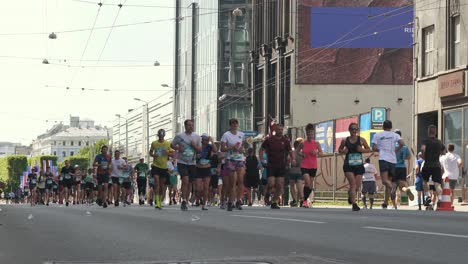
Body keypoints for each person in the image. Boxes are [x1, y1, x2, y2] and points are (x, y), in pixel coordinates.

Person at [259, 124, 295, 209]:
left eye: (281, 130)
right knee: (271, 184)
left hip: (281, 166)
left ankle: (274, 202)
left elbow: (290, 151)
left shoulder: (285, 140)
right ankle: (268, 193)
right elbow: (261, 149)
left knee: (280, 186)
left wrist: (292, 159)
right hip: (271, 165)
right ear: (275, 129)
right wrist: (261, 159)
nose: (280, 131)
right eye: (278, 129)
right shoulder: (269, 139)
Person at [372, 120, 405, 209]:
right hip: (393, 160)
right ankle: (385, 203)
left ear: (383, 126)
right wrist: (396, 150)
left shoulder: (377, 135)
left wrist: (380, 150)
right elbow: (402, 143)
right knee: (388, 181)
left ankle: (393, 188)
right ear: (391, 127)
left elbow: (374, 148)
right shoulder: (395, 135)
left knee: (384, 181)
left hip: (383, 159)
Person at [339, 123, 371, 211]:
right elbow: (339, 149)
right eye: (352, 129)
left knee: (357, 186)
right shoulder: (345, 140)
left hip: (359, 166)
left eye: (356, 129)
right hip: (348, 165)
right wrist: (344, 151)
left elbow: (369, 149)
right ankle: (354, 204)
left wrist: (362, 150)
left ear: (357, 130)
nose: (354, 131)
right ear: (349, 130)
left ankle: (351, 196)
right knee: (353, 184)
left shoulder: (361, 140)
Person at [171, 120, 202, 211]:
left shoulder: (196, 137)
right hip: (182, 162)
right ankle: (184, 200)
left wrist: (194, 146)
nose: (191, 127)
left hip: (192, 163)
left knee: (189, 183)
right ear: (185, 126)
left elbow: (199, 150)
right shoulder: (180, 136)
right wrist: (178, 148)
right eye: (189, 125)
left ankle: (185, 199)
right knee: (185, 180)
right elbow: (172, 145)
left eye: (192, 125)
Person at [221, 118, 246, 211]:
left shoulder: (241, 134)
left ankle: (238, 201)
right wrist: (232, 147)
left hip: (240, 159)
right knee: (232, 183)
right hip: (230, 160)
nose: (234, 125)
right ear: (230, 125)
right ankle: (230, 201)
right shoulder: (226, 135)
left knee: (241, 180)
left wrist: (241, 150)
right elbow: (223, 148)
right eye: (233, 124)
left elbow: (243, 147)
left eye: (236, 124)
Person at [296, 124, 323, 208]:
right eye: (309, 133)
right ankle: (304, 201)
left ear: (314, 133)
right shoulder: (303, 143)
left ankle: (304, 201)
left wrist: (317, 153)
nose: (310, 135)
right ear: (306, 134)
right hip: (304, 165)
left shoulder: (317, 143)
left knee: (310, 185)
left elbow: (321, 153)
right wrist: (302, 154)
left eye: (312, 133)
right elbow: (297, 151)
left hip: (313, 166)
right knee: (307, 181)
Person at [421, 125, 445, 210]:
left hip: (427, 164)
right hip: (436, 165)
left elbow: (423, 149)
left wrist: (423, 156)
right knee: (437, 184)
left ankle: (427, 196)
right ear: (435, 132)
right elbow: (444, 152)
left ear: (428, 132)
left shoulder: (425, 141)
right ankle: (440, 198)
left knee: (424, 181)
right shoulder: (439, 142)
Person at [150, 129, 173, 210]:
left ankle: (159, 201)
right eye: (160, 133)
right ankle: (157, 202)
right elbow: (150, 152)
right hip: (156, 166)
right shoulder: (154, 143)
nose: (161, 135)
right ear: (158, 134)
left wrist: (167, 153)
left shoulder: (167, 143)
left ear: (164, 135)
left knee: (161, 185)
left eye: (163, 134)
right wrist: (153, 155)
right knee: (157, 183)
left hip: (164, 167)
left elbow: (174, 154)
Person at [195, 133, 217, 210]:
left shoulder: (209, 146)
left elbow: (215, 150)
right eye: (205, 139)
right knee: (198, 189)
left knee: (206, 187)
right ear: (202, 139)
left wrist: (212, 141)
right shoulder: (198, 146)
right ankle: (198, 198)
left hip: (207, 168)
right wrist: (196, 156)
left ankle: (204, 204)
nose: (206, 141)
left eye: (207, 139)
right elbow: (192, 154)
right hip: (198, 168)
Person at [393, 129, 414, 208]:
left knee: (393, 187)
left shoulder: (393, 145)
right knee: (402, 187)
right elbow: (408, 157)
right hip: (402, 167)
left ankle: (394, 206)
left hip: (394, 167)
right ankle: (406, 190)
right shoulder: (404, 146)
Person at [288, 139, 304, 207]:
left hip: (292, 171)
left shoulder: (292, 153)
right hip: (300, 171)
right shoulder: (301, 153)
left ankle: (294, 200)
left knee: (292, 186)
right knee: (299, 186)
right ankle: (302, 199)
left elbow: (288, 160)